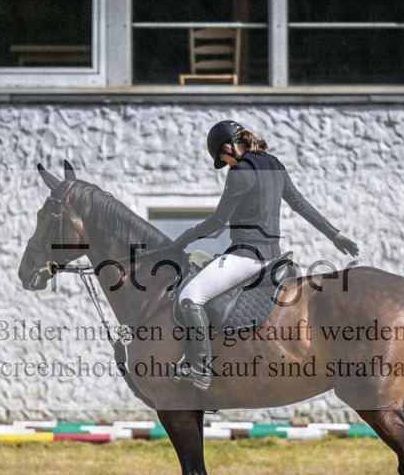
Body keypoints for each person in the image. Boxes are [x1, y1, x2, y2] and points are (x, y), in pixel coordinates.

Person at [152, 120, 359, 390]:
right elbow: (299, 204)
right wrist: (334, 234)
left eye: (223, 159)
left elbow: (217, 221)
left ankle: (199, 367)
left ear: (228, 147)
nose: (225, 163)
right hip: (272, 255)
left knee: (190, 296)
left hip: (247, 256)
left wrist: (182, 239)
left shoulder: (240, 172)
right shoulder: (274, 164)